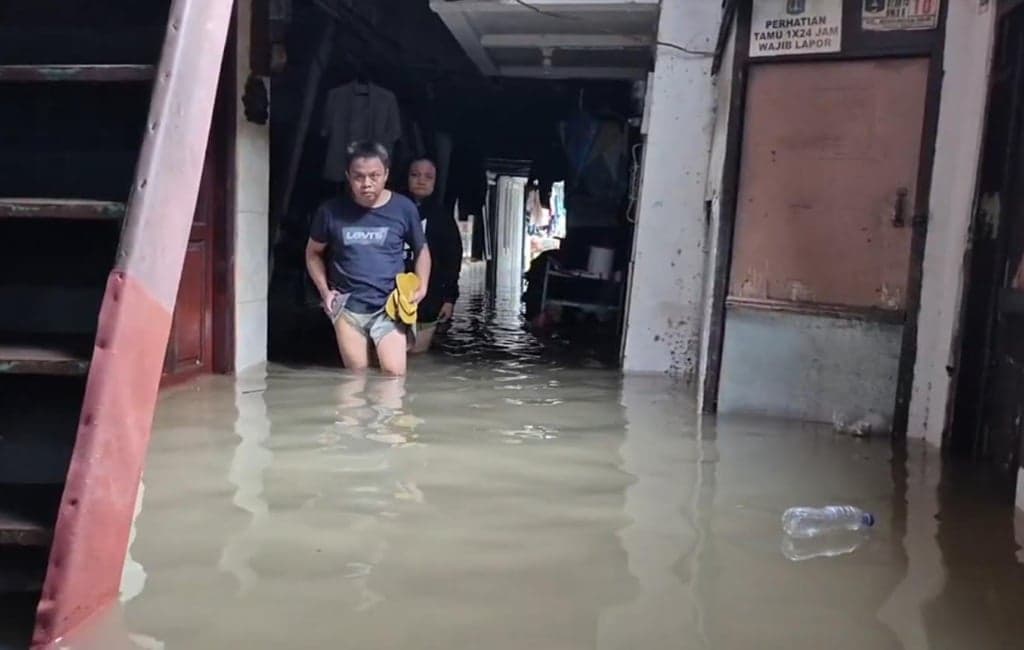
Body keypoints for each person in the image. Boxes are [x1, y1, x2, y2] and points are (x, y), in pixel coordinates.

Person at [306, 141, 431, 375]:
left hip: (390, 305)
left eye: (374, 176)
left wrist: (422, 286)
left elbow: (422, 250)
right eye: (358, 177)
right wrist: (325, 292)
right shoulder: (330, 211)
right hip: (347, 307)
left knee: (394, 375)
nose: (366, 184)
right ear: (348, 176)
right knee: (356, 377)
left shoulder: (404, 208)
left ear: (386, 174)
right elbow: (313, 253)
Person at [405, 157, 463, 353]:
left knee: (418, 356)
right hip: (391, 295)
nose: (421, 181)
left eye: (428, 177)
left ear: (436, 182)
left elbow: (452, 261)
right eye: (415, 175)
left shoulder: (443, 219)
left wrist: (449, 299)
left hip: (430, 297)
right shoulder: (391, 212)